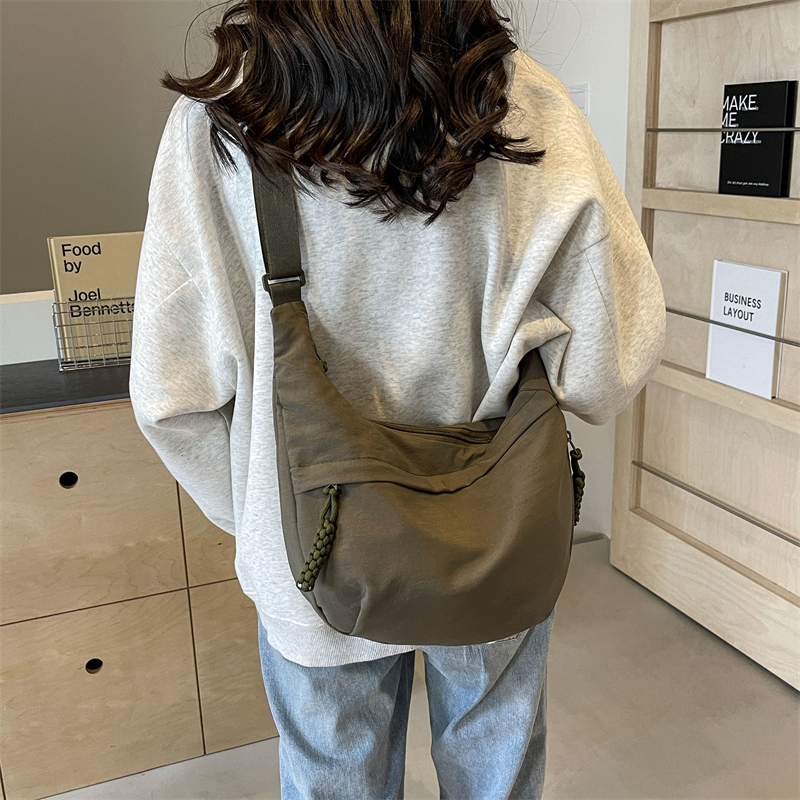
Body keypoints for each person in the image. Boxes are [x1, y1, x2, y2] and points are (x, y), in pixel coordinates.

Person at [129, 2, 667, 798]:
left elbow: (170, 398)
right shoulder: (520, 102)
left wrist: (268, 517)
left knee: (333, 779)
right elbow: (609, 364)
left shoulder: (222, 120)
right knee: (494, 774)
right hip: (495, 538)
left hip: (309, 564)